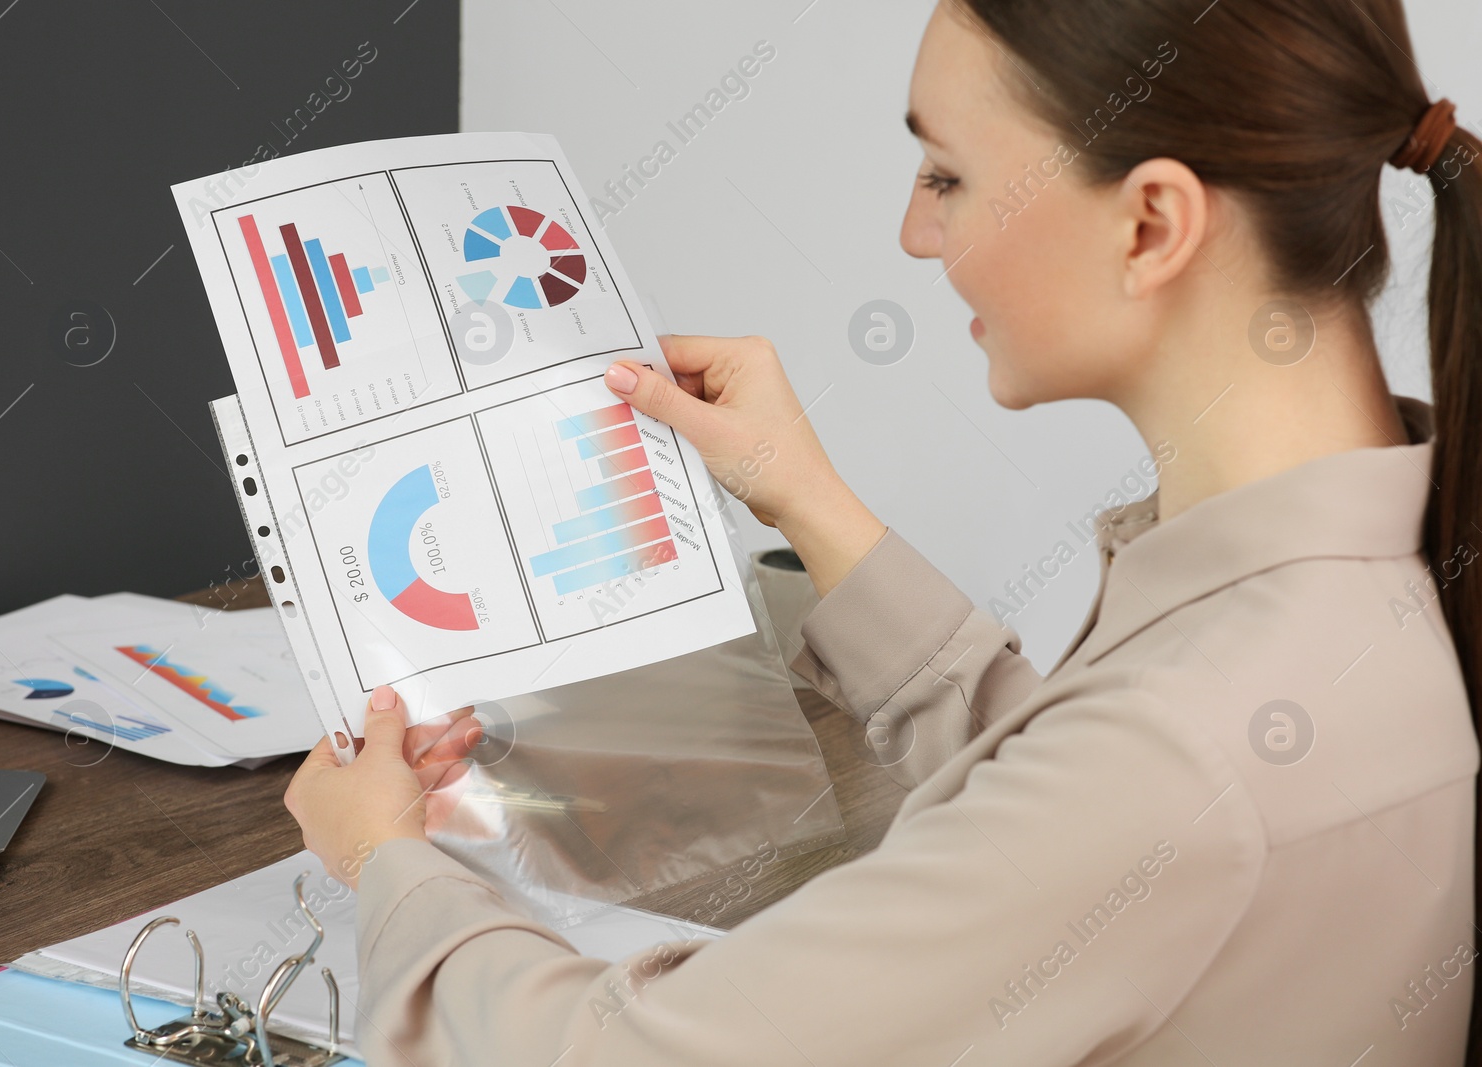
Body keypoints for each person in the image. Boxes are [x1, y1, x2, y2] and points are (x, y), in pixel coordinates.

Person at [284, 0, 1482, 1062]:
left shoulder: (1181, 750)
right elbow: (1072, 833)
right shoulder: (1358, 592)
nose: (917, 234)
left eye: (948, 176)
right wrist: (805, 496)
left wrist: (387, 863)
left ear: (1151, 224)